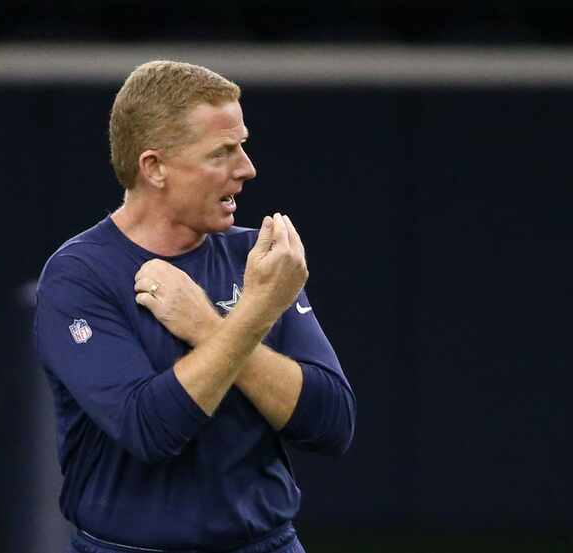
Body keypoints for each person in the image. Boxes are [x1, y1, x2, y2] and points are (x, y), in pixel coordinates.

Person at [33, 60, 356, 553]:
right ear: (154, 167)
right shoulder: (80, 276)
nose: (246, 168)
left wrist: (208, 325)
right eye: (222, 152)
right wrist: (252, 314)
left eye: (242, 145)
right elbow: (149, 430)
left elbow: (331, 422)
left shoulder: (258, 258)